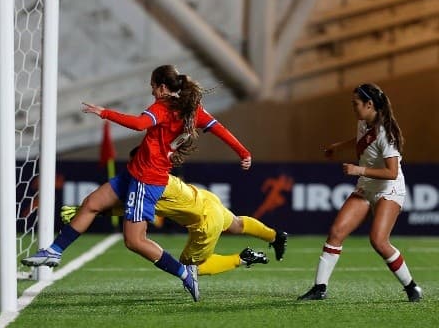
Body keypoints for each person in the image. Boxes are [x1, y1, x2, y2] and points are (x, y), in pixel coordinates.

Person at [22, 65, 252, 302]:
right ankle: (54, 251)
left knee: (134, 241)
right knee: (91, 203)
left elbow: (140, 124)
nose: (152, 91)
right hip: (136, 173)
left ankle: (184, 273)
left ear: (162, 87)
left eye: (153, 86)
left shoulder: (163, 108)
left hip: (147, 179)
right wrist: (244, 153)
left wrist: (105, 113)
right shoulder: (193, 110)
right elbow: (220, 130)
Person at [298, 83, 422, 302]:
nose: (353, 108)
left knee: (379, 241)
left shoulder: (386, 134)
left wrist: (358, 170)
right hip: (367, 186)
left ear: (369, 104)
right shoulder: (363, 122)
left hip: (389, 189)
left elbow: (392, 172)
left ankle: (412, 287)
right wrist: (338, 146)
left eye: (355, 104)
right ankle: (320, 288)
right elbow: (362, 143)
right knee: (336, 232)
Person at [61, 173, 288, 276]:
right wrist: (92, 211)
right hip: (208, 200)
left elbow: (127, 207)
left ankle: (242, 258)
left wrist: (92, 211)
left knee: (188, 268)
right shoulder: (161, 177)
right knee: (237, 224)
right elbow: (127, 206)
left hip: (205, 222)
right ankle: (275, 236)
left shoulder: (145, 189)